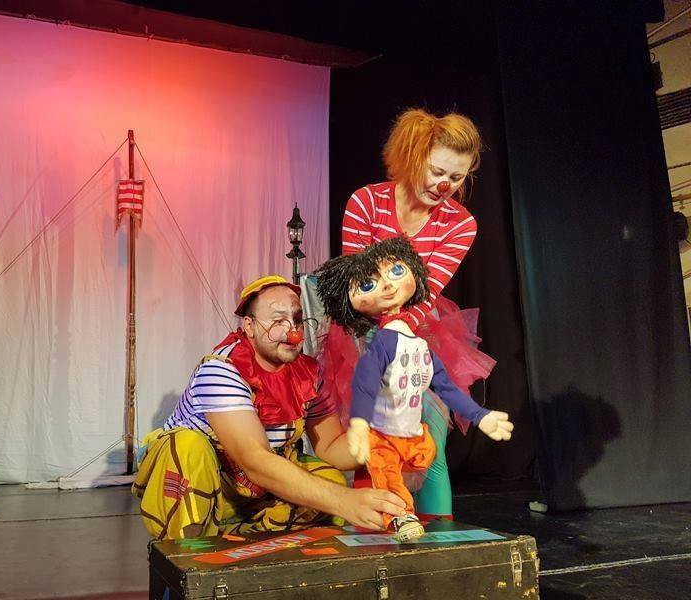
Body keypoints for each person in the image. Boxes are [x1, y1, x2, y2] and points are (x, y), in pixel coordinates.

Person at [132, 275, 408, 540]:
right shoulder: (222, 371)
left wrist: (384, 438)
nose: (294, 334)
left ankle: (253, 545)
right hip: (202, 488)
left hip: (256, 490)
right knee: (186, 446)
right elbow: (253, 459)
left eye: (297, 320)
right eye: (278, 321)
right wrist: (345, 501)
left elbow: (331, 447)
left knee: (330, 479)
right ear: (249, 326)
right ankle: (187, 553)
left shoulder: (309, 375)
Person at [339, 107, 496, 520]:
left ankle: (440, 538)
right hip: (358, 331)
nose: (445, 186)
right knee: (369, 444)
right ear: (411, 156)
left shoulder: (460, 224)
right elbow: (356, 284)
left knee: (428, 443)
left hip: (421, 332)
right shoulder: (366, 202)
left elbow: (428, 291)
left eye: (456, 178)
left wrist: (399, 335)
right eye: (437, 171)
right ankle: (369, 534)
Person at [315, 236, 512, 541]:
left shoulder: (419, 344)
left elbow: (445, 386)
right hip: (383, 435)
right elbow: (365, 384)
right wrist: (359, 424)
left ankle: (435, 523)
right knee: (386, 473)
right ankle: (402, 516)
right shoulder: (382, 343)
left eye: (395, 271)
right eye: (368, 284)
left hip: (412, 435)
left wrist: (479, 415)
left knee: (430, 455)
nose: (387, 286)